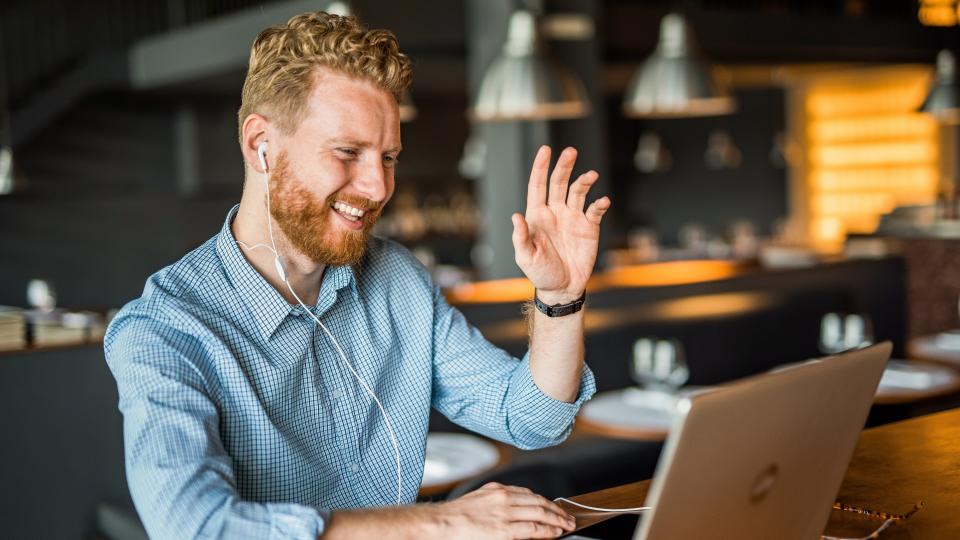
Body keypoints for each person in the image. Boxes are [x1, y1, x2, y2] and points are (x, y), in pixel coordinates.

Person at [104, 11, 611, 539]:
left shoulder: (397, 280)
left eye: (388, 157)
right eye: (348, 152)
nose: (376, 187)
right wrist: (437, 523)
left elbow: (531, 418)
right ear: (261, 145)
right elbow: (198, 527)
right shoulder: (165, 329)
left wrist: (559, 295)